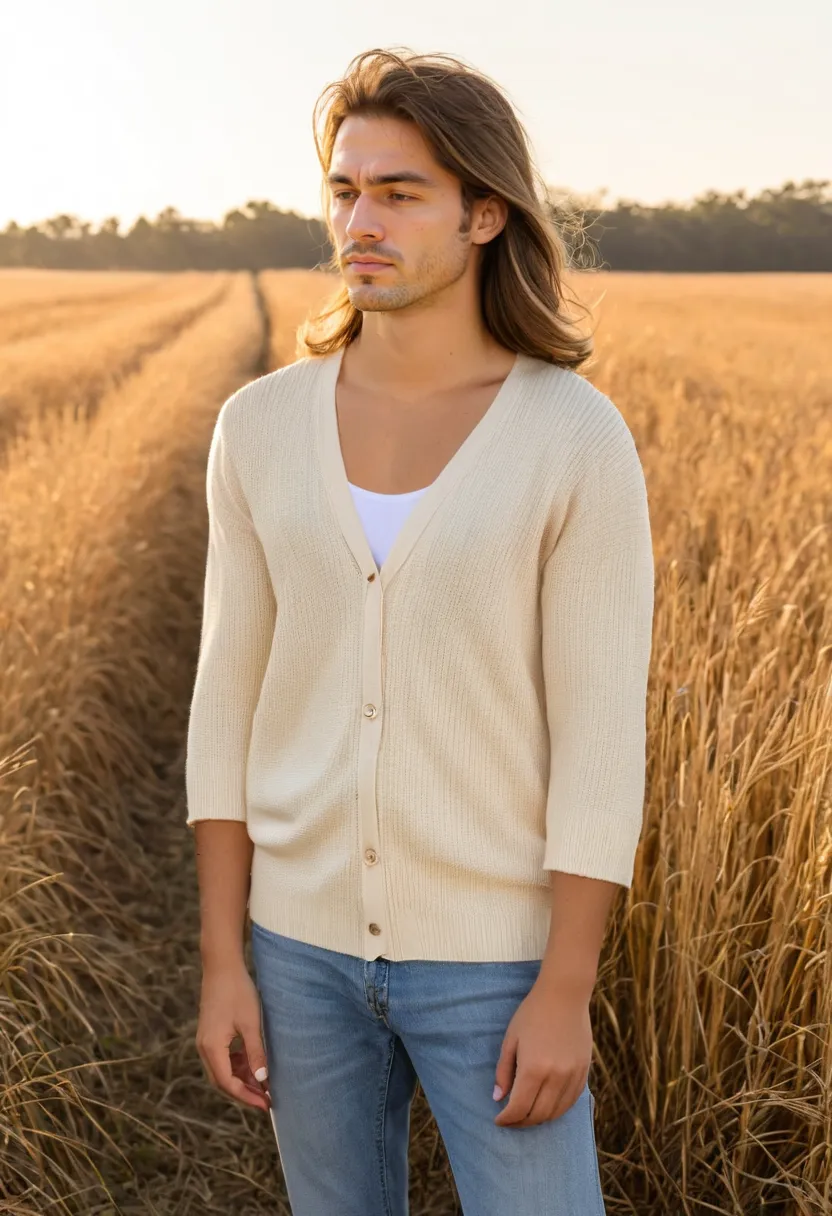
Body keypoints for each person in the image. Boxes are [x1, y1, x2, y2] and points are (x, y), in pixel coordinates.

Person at [185, 46, 654, 1216]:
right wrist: (223, 960)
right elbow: (223, 703)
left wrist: (565, 984)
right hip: (296, 957)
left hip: (497, 971)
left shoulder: (573, 439)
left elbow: (600, 741)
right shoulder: (258, 428)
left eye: (400, 193)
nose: (361, 219)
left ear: (484, 213)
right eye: (345, 190)